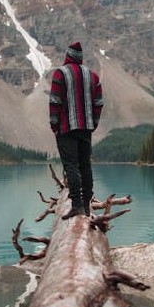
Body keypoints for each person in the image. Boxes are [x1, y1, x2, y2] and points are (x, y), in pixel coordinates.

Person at [49, 41, 104, 219]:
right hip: (86, 128)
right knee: (85, 165)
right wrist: (93, 123)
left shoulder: (60, 73)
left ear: (68, 56)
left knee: (71, 165)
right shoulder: (93, 76)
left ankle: (77, 205)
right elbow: (99, 103)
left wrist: (54, 125)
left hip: (67, 128)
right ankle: (87, 206)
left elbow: (55, 101)